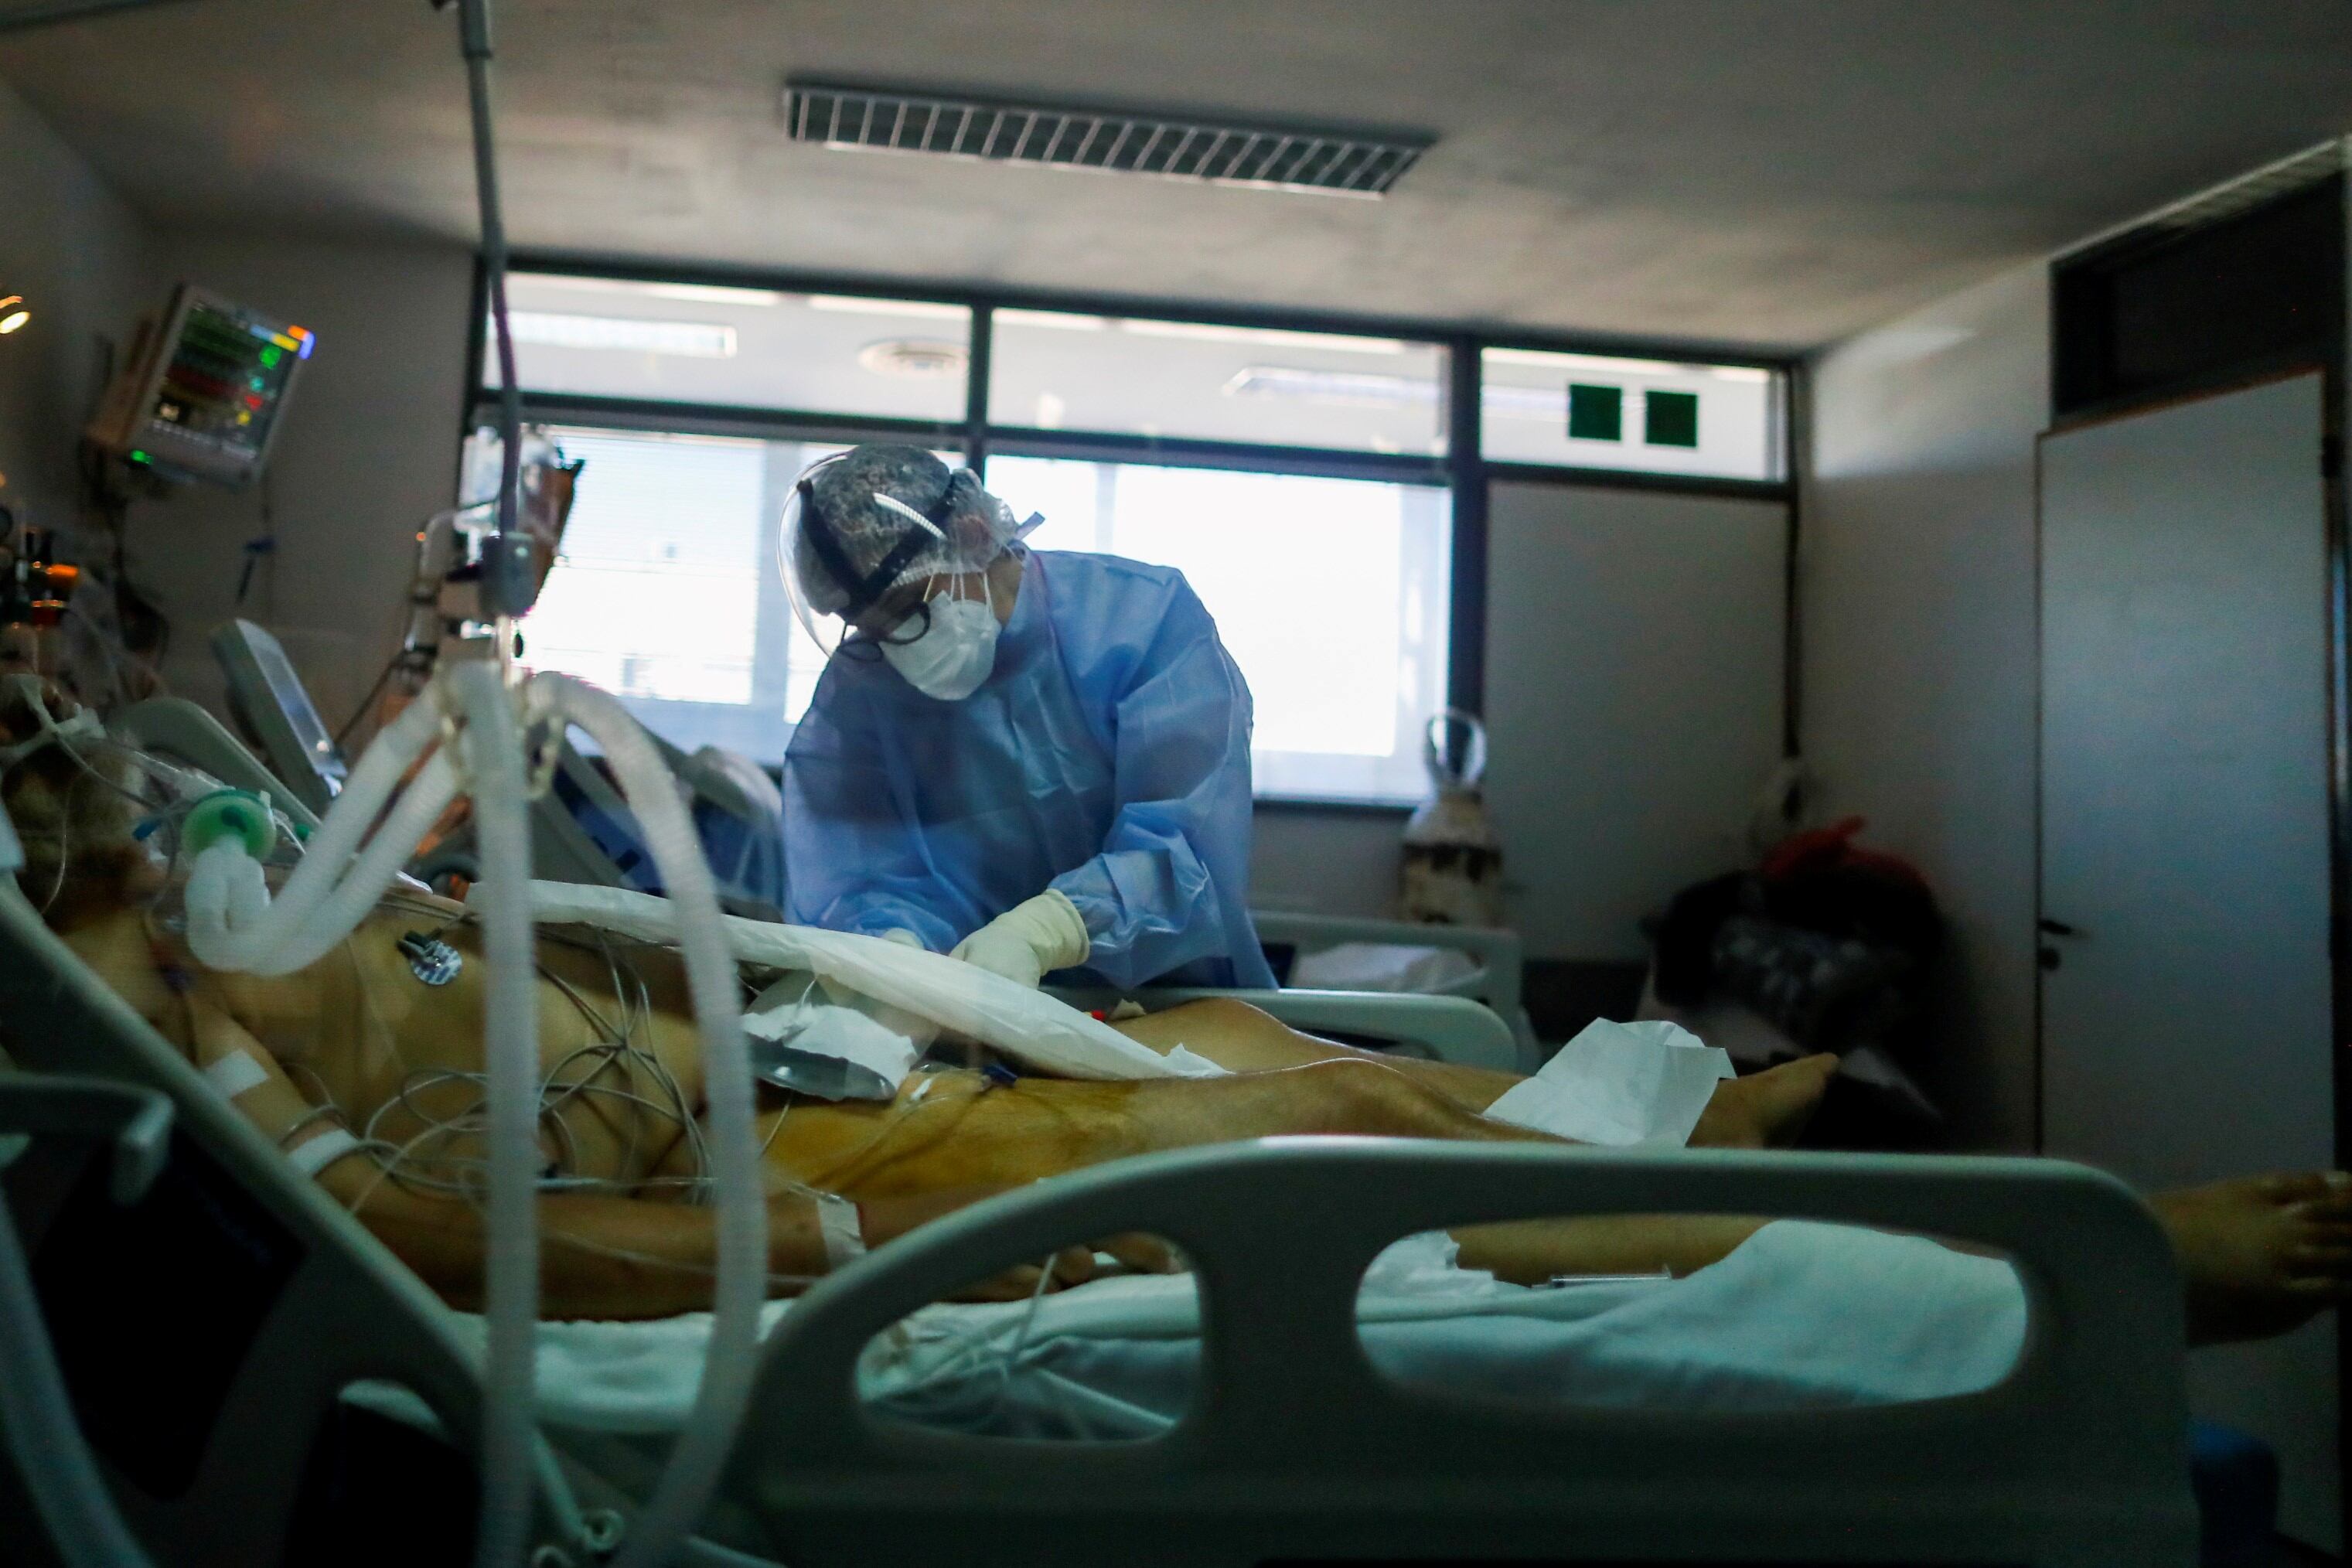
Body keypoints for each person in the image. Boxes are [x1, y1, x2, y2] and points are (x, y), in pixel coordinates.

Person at [9, 677, 2352, 1343]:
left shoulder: (188, 880)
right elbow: (444, 1253)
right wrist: (848, 1263)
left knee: (1312, 1055)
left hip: (851, 1048)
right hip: (809, 1175)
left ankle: (1684, 1154)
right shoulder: (149, 1031)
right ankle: (2092, 1263)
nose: (64, 803)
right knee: (1323, 1166)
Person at [779, 444, 1277, 990]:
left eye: (907, 611)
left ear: (971, 536)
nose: (897, 648)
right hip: (972, 1017)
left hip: (1175, 1000)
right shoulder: (863, 689)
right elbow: (859, 871)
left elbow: (1191, 847)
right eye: (872, 630)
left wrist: (1050, 929)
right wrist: (894, 945)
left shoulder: (1140, 620)